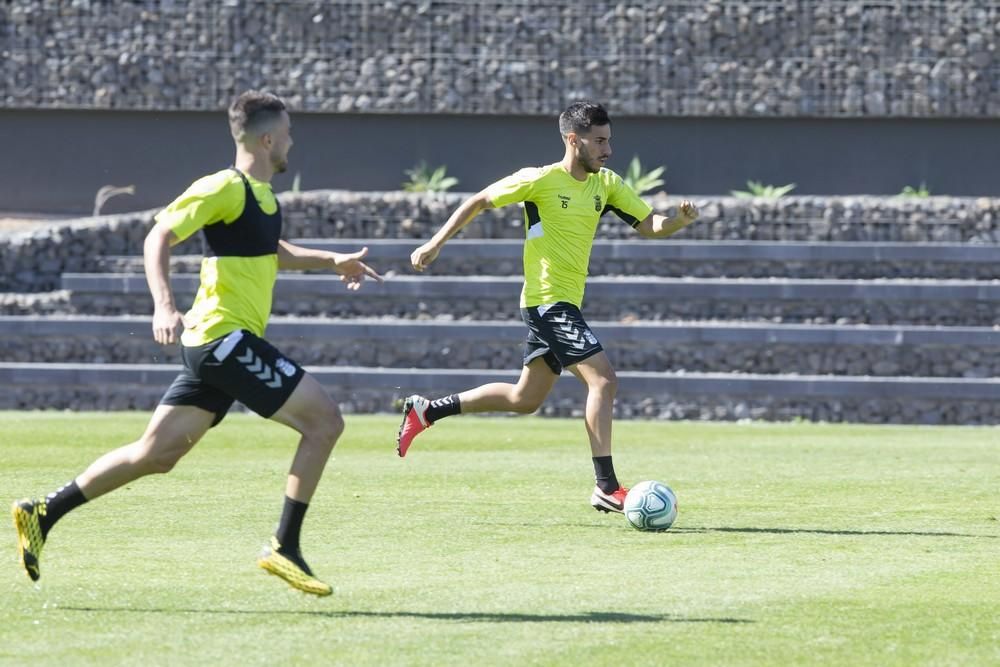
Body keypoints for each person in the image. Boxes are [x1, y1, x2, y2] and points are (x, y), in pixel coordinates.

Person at [11, 90, 381, 596]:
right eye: (288, 133)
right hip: (221, 339)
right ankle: (285, 546)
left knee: (156, 454)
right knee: (325, 420)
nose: (292, 141)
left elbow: (270, 251)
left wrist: (332, 260)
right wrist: (163, 304)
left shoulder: (260, 195)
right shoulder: (223, 187)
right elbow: (158, 235)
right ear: (267, 138)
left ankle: (42, 513)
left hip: (219, 344)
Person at [396, 101, 698, 513]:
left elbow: (648, 224)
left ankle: (428, 410)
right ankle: (606, 486)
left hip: (562, 303)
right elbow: (481, 200)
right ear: (573, 141)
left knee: (525, 399)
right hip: (547, 302)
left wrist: (678, 222)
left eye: (609, 140)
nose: (608, 150)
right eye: (600, 141)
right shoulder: (539, 180)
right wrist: (434, 243)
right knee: (604, 381)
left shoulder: (606, 184)